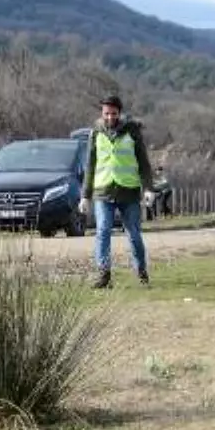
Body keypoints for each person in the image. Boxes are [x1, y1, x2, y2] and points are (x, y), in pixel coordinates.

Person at [80, 95, 155, 288]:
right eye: (106, 114)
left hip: (128, 191)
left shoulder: (132, 132)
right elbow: (90, 165)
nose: (110, 118)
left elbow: (144, 163)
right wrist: (85, 196)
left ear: (119, 113)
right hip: (103, 191)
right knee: (103, 231)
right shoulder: (95, 133)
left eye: (113, 114)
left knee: (134, 234)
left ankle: (141, 271)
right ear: (101, 113)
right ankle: (103, 274)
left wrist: (148, 188)